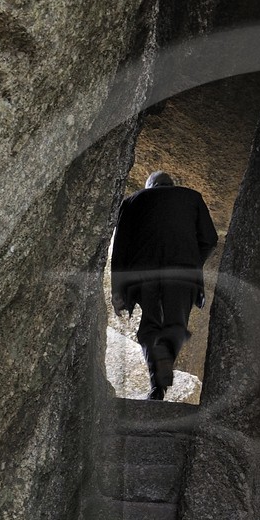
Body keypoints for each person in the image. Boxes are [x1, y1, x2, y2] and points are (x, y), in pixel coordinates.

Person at [110, 171, 218, 400]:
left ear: (150, 186)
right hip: (181, 274)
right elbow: (210, 239)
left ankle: (157, 383)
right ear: (171, 184)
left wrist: (117, 290)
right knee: (174, 324)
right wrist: (192, 262)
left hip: (146, 273)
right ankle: (161, 377)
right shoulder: (192, 197)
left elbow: (120, 247)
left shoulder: (133, 200)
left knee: (151, 326)